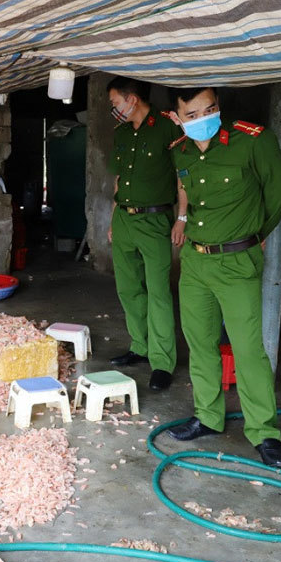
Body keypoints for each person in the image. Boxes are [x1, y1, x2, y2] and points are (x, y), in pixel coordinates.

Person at [167, 87, 281, 469]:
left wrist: (254, 236)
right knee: (200, 342)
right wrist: (184, 220)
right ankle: (208, 416)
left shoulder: (253, 140)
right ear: (178, 117)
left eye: (211, 108)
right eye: (193, 114)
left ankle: (264, 432)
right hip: (196, 262)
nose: (203, 117)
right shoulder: (181, 150)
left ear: (218, 107)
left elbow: (278, 194)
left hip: (238, 261)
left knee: (249, 349)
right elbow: (187, 189)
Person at [106, 76, 181, 391]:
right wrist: (112, 220)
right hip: (124, 219)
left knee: (159, 293)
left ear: (131, 99)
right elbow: (119, 180)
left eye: (114, 102)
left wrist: (183, 219)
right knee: (128, 288)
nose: (113, 109)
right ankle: (140, 347)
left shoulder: (167, 127)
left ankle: (162, 362)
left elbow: (183, 175)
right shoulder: (122, 133)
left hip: (155, 220)